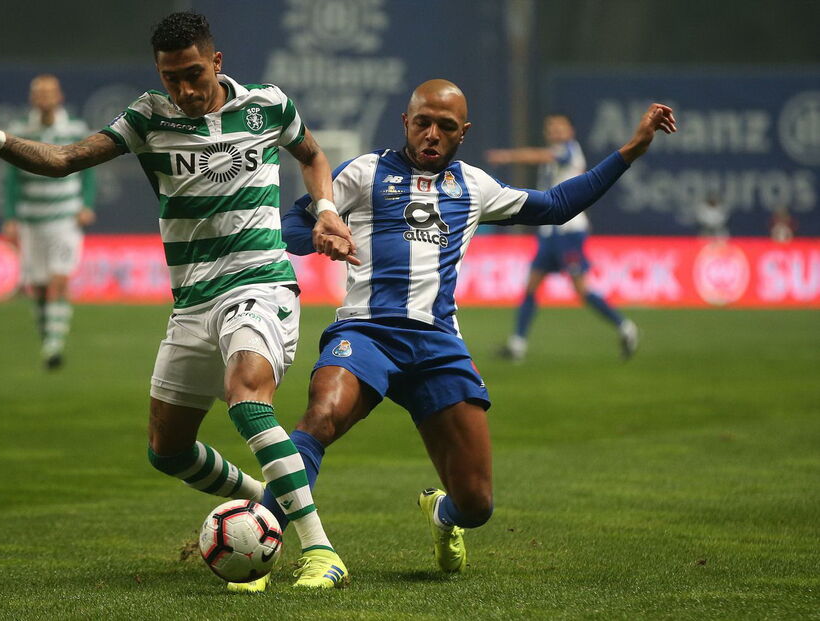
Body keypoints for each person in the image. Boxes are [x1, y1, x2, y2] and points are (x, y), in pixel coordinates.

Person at [0, 11, 356, 590]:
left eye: (194, 73)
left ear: (216, 62)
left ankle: (322, 552)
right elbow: (66, 158)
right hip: (193, 301)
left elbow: (313, 157)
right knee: (167, 452)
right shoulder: (148, 115)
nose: (185, 89)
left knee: (246, 398)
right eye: (172, 78)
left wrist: (325, 211)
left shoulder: (267, 105)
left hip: (260, 282)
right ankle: (263, 507)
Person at [270, 80, 675, 582]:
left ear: (463, 133)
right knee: (320, 417)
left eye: (445, 126)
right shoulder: (364, 173)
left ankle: (443, 517)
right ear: (405, 122)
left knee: (477, 503)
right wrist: (319, 231)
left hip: (437, 345)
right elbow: (289, 225)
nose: (432, 134)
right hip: (366, 332)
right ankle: (262, 541)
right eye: (423, 123)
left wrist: (630, 150)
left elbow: (554, 206)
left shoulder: (475, 187)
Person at [486, 114, 639, 362]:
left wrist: (508, 156)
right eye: (551, 128)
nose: (555, 132)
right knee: (531, 287)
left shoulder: (568, 151)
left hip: (569, 231)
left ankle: (626, 327)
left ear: (571, 132)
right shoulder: (555, 154)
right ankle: (517, 345)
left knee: (582, 291)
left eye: (560, 128)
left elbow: (543, 156)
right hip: (550, 232)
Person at [2, 74, 96, 370]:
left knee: (58, 281)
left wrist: (87, 204)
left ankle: (54, 347)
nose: (44, 98)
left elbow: (89, 169)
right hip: (32, 220)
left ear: (59, 97)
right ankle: (48, 336)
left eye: (49, 93)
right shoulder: (20, 131)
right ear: (32, 99)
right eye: (38, 93)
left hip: (65, 218)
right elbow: (11, 178)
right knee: (40, 288)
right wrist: (11, 216)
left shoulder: (75, 129)